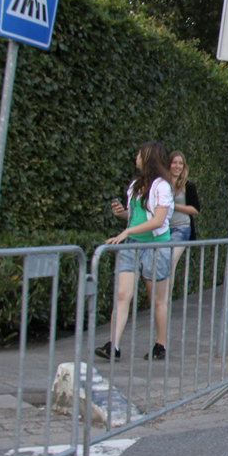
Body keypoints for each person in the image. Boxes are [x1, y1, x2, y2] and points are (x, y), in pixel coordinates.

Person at [97, 141, 174, 362]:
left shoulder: (162, 186)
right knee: (122, 294)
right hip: (132, 245)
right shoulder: (134, 185)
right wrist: (122, 214)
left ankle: (161, 344)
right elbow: (136, 216)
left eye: (140, 154)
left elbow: (158, 220)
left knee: (157, 299)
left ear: (148, 158)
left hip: (155, 247)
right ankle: (113, 345)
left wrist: (127, 230)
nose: (136, 158)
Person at [165, 150, 201, 287]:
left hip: (181, 228)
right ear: (169, 164)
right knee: (162, 263)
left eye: (180, 163)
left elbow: (195, 209)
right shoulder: (162, 184)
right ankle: (161, 297)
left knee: (170, 262)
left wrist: (174, 206)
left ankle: (166, 298)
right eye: (174, 163)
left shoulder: (188, 185)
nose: (177, 166)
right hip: (164, 229)